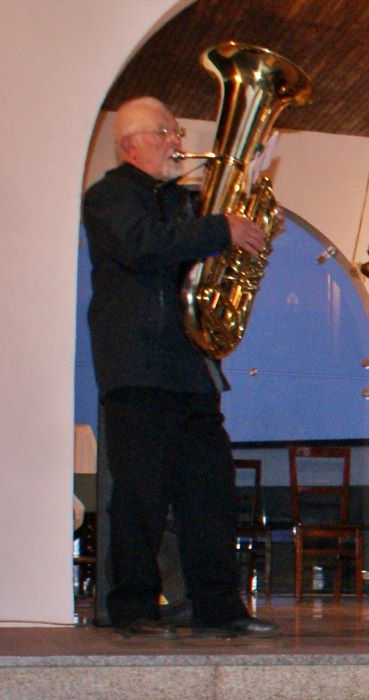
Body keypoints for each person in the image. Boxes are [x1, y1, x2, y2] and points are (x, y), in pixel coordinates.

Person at [81, 97, 276, 640]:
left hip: (191, 371)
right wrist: (220, 229)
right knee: (140, 498)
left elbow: (204, 259)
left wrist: (247, 226)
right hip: (138, 370)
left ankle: (218, 609)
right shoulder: (109, 197)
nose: (177, 142)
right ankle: (133, 609)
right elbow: (142, 246)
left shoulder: (185, 204)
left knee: (211, 495)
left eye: (176, 132)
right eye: (164, 133)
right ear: (131, 145)